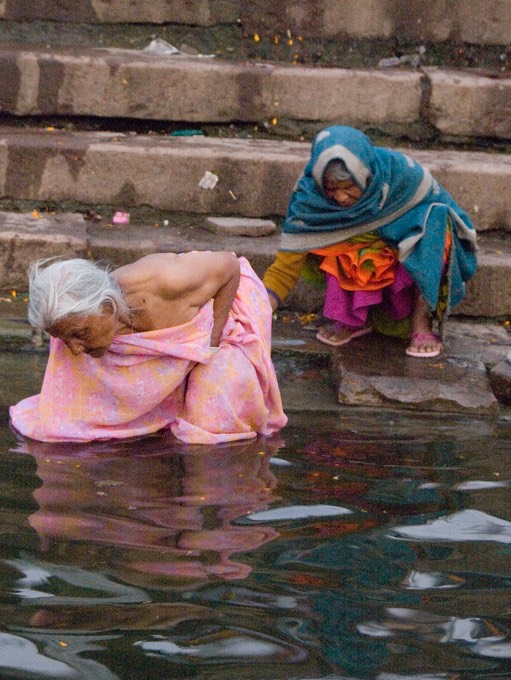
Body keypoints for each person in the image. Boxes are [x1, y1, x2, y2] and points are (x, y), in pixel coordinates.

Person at [10, 251, 287, 444]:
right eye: (64, 338)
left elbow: (229, 266)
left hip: (226, 312)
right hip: (186, 323)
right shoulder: (80, 320)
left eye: (79, 334)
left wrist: (213, 341)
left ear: (108, 308)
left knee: (213, 405)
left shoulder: (169, 282)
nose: (75, 349)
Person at [263, 126, 478, 358]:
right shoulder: (311, 198)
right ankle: (353, 319)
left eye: (349, 187)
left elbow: (452, 216)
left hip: (403, 269)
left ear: (365, 174)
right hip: (361, 259)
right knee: (327, 242)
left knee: (436, 223)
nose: (341, 197)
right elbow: (285, 267)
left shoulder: (399, 173)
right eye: (332, 189)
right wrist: (255, 315)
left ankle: (420, 321)